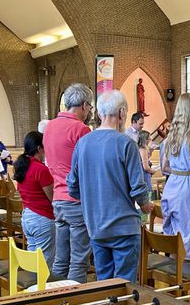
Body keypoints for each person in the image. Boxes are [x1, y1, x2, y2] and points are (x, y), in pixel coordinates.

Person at [68, 90, 153, 282]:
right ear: (123, 113)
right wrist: (146, 204)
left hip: (96, 225)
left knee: (104, 283)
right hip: (123, 227)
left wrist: (93, 197)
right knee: (124, 285)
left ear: (99, 114)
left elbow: (72, 186)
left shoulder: (82, 143)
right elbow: (137, 186)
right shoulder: (125, 143)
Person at [43, 83, 93, 283]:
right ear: (83, 105)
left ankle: (57, 302)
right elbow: (88, 168)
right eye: (89, 107)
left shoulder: (50, 126)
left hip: (58, 199)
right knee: (79, 261)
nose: (89, 111)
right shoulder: (81, 129)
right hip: (76, 200)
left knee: (61, 260)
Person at [160, 93, 190, 262]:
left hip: (171, 185)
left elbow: (164, 167)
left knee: (174, 233)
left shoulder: (170, 138)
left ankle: (175, 272)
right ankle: (189, 275)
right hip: (188, 187)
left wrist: (176, 171)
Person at [14, 131, 55, 268]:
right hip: (42, 218)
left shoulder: (22, 166)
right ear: (39, 148)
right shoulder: (40, 169)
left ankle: (33, 287)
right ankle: (43, 289)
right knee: (44, 264)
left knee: (32, 263)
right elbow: (52, 197)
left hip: (28, 216)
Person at [137, 130, 155, 194]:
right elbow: (146, 167)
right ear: (145, 139)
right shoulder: (143, 149)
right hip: (145, 175)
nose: (150, 140)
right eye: (149, 139)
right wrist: (153, 171)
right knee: (147, 193)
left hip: (143, 175)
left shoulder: (140, 148)